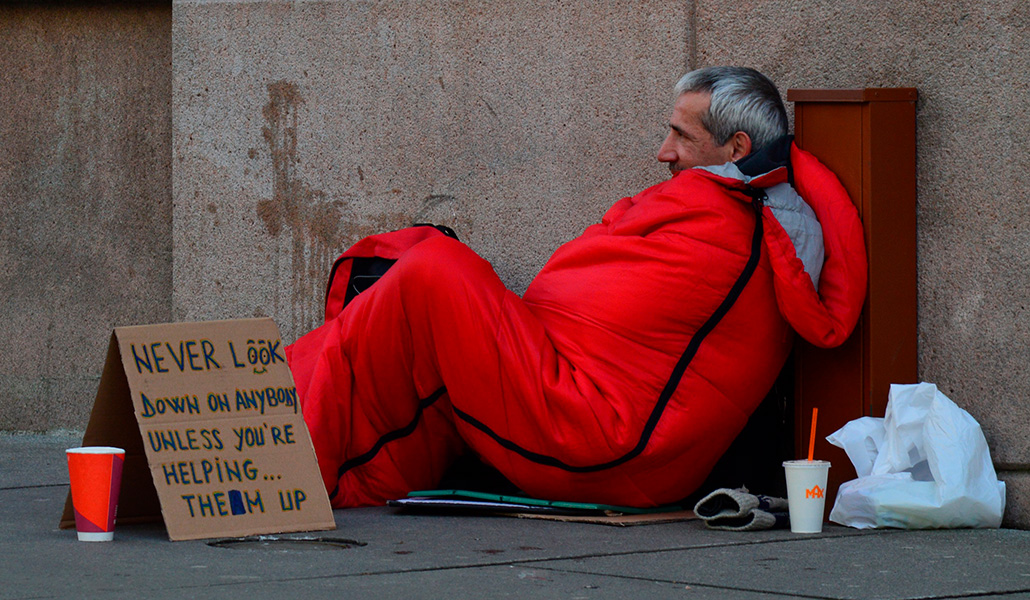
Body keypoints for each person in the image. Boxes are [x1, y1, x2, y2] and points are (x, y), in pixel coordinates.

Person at [286, 66, 867, 509]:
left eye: (681, 137)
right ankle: (269, 406)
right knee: (414, 284)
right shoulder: (726, 214)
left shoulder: (733, 230)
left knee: (434, 269)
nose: (663, 153)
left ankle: (287, 461)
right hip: (585, 409)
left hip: (603, 440)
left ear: (736, 149)